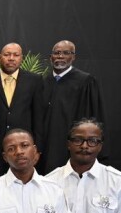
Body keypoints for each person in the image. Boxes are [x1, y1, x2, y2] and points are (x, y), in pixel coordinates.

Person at [41, 40, 106, 173]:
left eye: (66, 53)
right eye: (57, 53)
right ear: (50, 57)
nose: (60, 56)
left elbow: (91, 118)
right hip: (45, 145)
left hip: (72, 145)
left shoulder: (85, 81)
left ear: (73, 57)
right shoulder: (43, 82)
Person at [0, 43, 44, 183]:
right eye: (7, 55)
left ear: (21, 58)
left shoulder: (34, 80)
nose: (11, 58)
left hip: (22, 149)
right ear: (0, 57)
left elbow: (38, 116)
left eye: (16, 55)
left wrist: (37, 148)